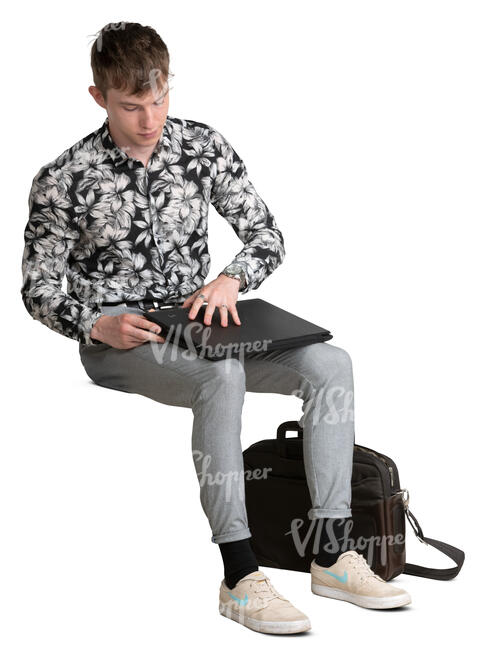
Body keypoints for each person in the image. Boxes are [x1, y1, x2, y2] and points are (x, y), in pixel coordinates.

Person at [20, 21, 412, 635]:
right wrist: (96, 324)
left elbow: (266, 234)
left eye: (160, 98)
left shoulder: (200, 146)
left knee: (331, 364)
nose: (150, 118)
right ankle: (238, 573)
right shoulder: (62, 179)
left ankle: (332, 552)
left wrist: (230, 279)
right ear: (98, 98)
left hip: (202, 325)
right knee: (222, 376)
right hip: (124, 343)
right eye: (131, 105)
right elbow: (38, 291)